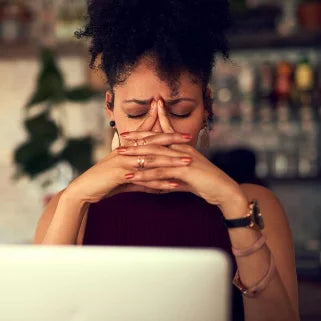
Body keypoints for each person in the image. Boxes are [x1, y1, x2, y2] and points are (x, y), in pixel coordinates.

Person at [33, 1, 299, 320]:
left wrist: (232, 203)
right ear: (110, 109)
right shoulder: (72, 206)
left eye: (180, 111)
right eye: (136, 112)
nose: (160, 128)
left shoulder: (255, 205)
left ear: (207, 108)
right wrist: (75, 197)